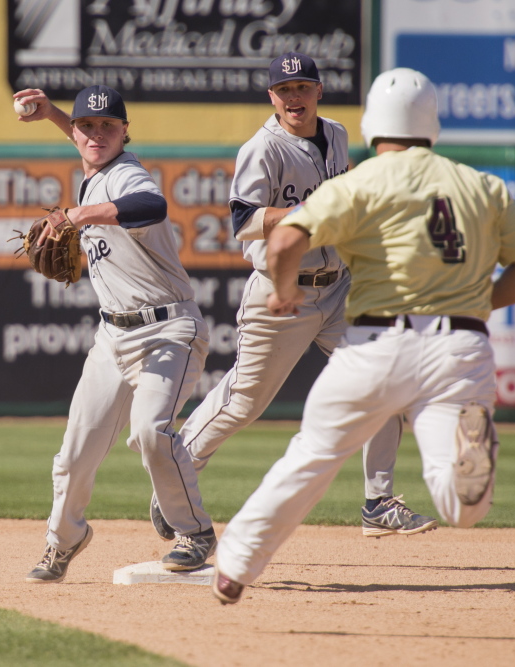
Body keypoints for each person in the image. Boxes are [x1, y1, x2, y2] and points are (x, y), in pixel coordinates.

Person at [210, 68, 515, 604]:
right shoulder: (481, 185)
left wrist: (282, 290)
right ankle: (464, 475)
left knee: (312, 456)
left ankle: (234, 566)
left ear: (373, 124)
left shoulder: (360, 181)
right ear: (432, 124)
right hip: (461, 348)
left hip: (376, 345)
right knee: (456, 489)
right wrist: (480, 303)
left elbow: (281, 245)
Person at [150, 52, 437, 542]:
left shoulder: (339, 134)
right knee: (243, 402)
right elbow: (243, 224)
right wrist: (312, 210)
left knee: (385, 376)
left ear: (318, 91)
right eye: (285, 90)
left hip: (339, 284)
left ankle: (378, 500)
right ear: (272, 97)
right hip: (281, 291)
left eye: (303, 87)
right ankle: (174, 476)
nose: (294, 97)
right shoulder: (262, 149)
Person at [14, 85, 217, 581]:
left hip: (169, 329)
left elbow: (152, 206)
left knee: (150, 430)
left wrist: (77, 216)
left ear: (126, 132)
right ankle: (64, 542)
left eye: (109, 126)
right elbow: (88, 145)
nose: (95, 134)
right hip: (112, 339)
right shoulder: (94, 169)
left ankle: (194, 531)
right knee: (74, 455)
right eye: (87, 125)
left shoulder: (126, 174)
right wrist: (55, 116)